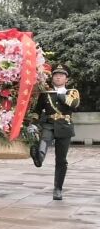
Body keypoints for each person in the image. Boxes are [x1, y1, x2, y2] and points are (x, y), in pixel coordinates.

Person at [28, 64, 80, 200]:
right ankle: (38, 158)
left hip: (65, 126)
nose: (58, 77)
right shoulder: (45, 94)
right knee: (44, 140)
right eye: (56, 75)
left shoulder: (72, 92)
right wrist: (33, 123)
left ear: (66, 79)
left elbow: (74, 105)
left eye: (61, 75)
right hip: (49, 124)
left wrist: (60, 94)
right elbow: (37, 110)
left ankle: (58, 188)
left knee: (61, 160)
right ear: (52, 78)